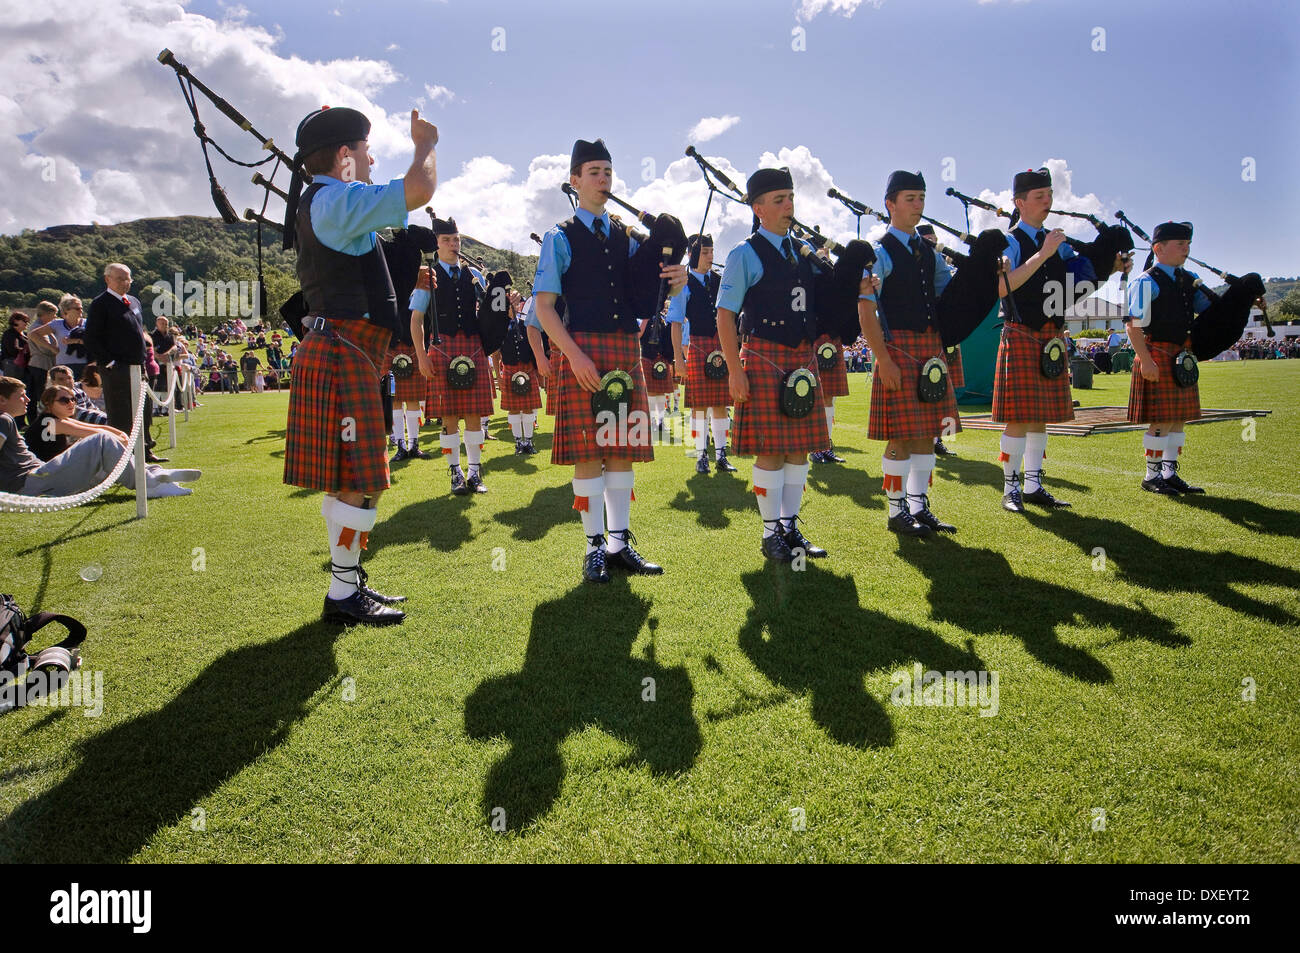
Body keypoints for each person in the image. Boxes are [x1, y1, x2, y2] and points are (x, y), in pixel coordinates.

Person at [280, 103, 437, 625]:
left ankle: (346, 583)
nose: (372, 160)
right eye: (367, 151)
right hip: (345, 351)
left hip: (352, 351)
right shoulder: (336, 201)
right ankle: (343, 592)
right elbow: (418, 190)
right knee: (354, 477)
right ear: (346, 156)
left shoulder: (330, 202)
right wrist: (425, 145)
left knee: (354, 475)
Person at [533, 137, 687, 582]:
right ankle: (594, 548)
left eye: (608, 172)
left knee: (620, 451)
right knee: (589, 452)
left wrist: (674, 281)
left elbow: (648, 290)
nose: (603, 180)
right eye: (594, 173)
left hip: (623, 350)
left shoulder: (627, 238)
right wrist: (574, 356)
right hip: (582, 349)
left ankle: (619, 544)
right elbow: (544, 308)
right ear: (575, 181)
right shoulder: (559, 237)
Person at [715, 167, 835, 562]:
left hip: (801, 360)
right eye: (780, 199)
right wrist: (734, 370)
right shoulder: (743, 254)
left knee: (799, 450)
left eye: (791, 198)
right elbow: (725, 316)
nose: (789, 206)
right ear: (758, 207)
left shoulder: (803, 252)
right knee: (770, 450)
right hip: (765, 358)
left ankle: (790, 528)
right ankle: (770, 536)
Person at [991, 167, 1126, 513]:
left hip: (1050, 336)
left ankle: (1034, 484)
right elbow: (1003, 288)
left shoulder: (1058, 243)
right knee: (1019, 417)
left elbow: (1079, 282)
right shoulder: (1009, 242)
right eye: (1039, 196)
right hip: (1021, 333)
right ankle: (1010, 488)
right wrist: (1044, 253)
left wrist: (1110, 265)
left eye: (1049, 195)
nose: (1047, 201)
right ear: (1019, 202)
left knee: (1040, 416)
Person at [857, 170, 959, 537]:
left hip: (928, 349)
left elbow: (950, 296)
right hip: (897, 350)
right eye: (910, 199)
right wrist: (882, 359)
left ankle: (919, 506)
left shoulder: (931, 253)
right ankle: (896, 511)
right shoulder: (879, 253)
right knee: (900, 436)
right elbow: (866, 309)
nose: (918, 206)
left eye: (921, 199)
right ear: (890, 204)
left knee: (925, 433)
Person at [1125, 221, 1214, 495]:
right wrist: (1146, 361)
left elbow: (1211, 309)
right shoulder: (1146, 281)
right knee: (1161, 420)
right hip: (1157, 355)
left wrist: (1243, 299)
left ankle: (1169, 473)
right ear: (1159, 248)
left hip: (1180, 356)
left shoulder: (1189, 280)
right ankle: (1151, 476)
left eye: (1188, 245)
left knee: (1178, 418)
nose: (1186, 250)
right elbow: (1133, 325)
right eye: (1180, 245)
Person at [0, 377, 196, 499]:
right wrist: (114, 434)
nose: (27, 400)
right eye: (21, 395)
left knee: (104, 457)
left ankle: (157, 481)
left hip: (45, 476)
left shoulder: (44, 420)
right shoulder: (37, 422)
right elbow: (88, 432)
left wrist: (114, 432)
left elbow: (86, 426)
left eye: (72, 399)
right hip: (33, 481)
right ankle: (149, 481)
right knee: (101, 442)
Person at [411, 216, 493, 493]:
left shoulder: (475, 276)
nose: (453, 244)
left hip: (473, 347)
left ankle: (474, 473)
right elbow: (416, 319)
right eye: (447, 240)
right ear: (436, 244)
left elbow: (490, 314)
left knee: (473, 415)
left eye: (456, 239)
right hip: (442, 348)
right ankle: (455, 473)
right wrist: (421, 356)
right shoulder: (427, 276)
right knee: (448, 417)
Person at [666, 234, 737, 474]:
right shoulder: (682, 283)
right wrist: (678, 358)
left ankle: (721, 455)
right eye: (705, 252)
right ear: (693, 254)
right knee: (699, 406)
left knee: (720, 404)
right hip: (697, 346)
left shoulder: (719, 279)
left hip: (721, 346)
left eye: (712, 251)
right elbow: (675, 322)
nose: (711, 256)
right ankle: (701, 456)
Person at [84, 263, 168, 463]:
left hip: (139, 367)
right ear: (108, 279)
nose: (125, 282)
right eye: (119, 278)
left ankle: (145, 450)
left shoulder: (134, 302)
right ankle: (122, 459)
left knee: (144, 411)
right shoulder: (100, 304)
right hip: (116, 368)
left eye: (127, 278)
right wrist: (110, 362)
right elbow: (91, 338)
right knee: (121, 414)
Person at [918, 224, 959, 457]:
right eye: (928, 238)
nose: (933, 241)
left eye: (934, 237)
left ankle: (943, 439)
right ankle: (929, 438)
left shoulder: (943, 260)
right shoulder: (920, 258)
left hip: (945, 332)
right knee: (929, 389)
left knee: (945, 391)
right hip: (926, 330)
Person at [499, 289, 542, 454]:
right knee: (514, 409)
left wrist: (538, 372)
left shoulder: (526, 324)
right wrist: (500, 374)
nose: (514, 307)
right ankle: (518, 443)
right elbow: (496, 355)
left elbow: (534, 348)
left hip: (527, 369)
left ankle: (528, 442)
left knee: (529, 409)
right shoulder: (500, 327)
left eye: (515, 303)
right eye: (510, 304)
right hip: (509, 370)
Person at [52, 295, 89, 381]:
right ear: (66, 310)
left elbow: (95, 341)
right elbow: (33, 334)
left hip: (85, 364)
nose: (81, 310)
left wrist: (75, 341)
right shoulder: (57, 323)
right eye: (77, 308)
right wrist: (52, 347)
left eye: (81, 308)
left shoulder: (88, 323)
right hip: (63, 365)